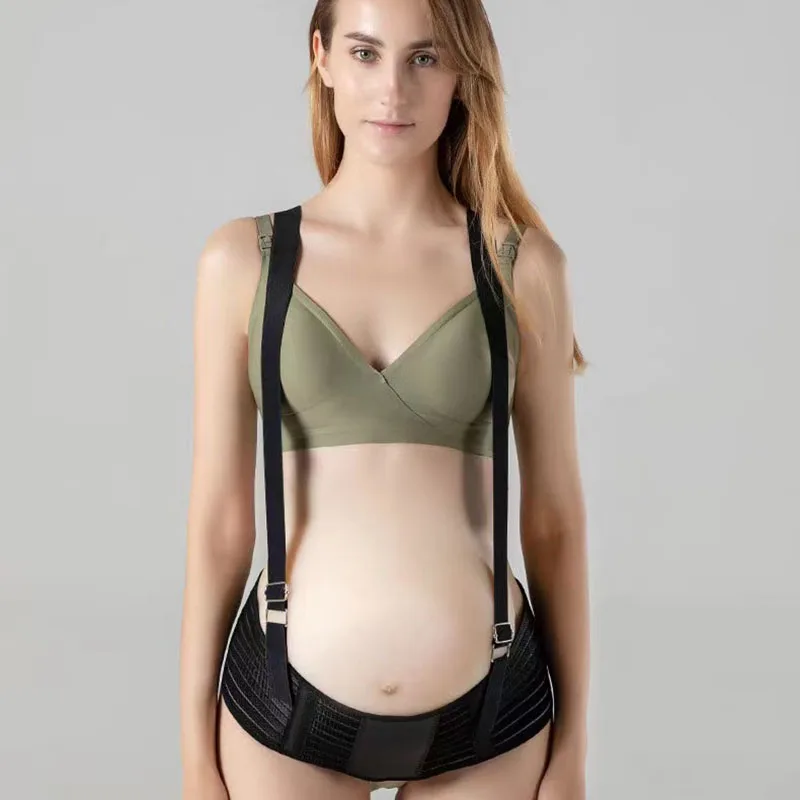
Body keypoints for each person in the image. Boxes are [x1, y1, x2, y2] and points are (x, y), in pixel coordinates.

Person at [179, 0, 589, 797]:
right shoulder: (244, 262)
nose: (393, 90)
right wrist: (196, 757)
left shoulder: (522, 267)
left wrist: (572, 750)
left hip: (493, 715)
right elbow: (220, 522)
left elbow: (554, 522)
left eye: (424, 58)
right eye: (366, 53)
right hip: (281, 711)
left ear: (463, 73)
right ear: (322, 56)